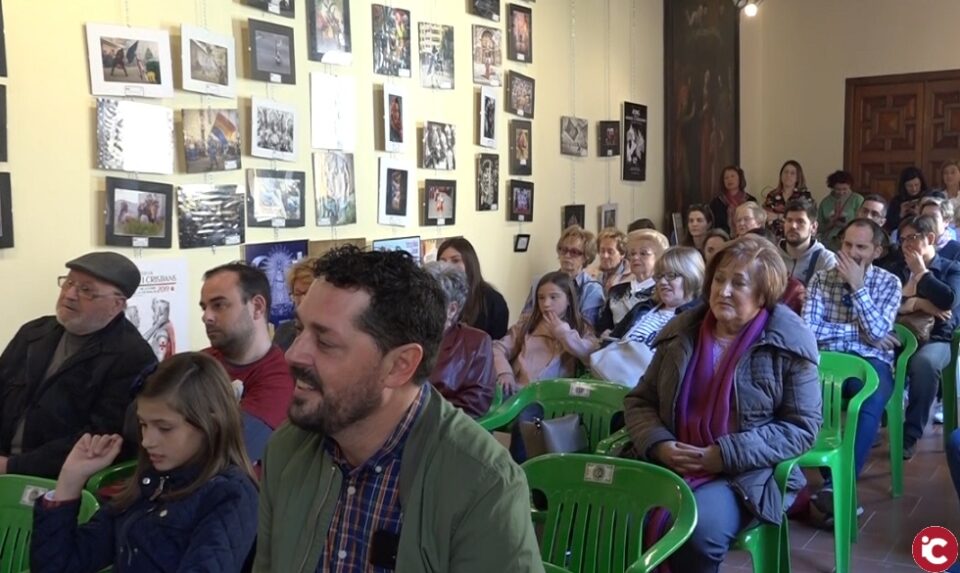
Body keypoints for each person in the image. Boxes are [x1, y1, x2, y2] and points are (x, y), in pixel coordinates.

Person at [255, 247, 542, 572]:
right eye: (299, 330)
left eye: (325, 342)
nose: (292, 355)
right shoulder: (288, 450)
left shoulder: (484, 486)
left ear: (399, 366)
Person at [624, 235, 822, 572]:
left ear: (763, 294)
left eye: (738, 283)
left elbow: (801, 428)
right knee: (612, 513)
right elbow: (640, 401)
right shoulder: (681, 334)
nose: (723, 291)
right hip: (670, 459)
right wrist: (659, 444)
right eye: (719, 279)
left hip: (744, 474)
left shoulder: (787, 343)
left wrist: (724, 455)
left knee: (697, 533)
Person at [31, 352, 259, 573]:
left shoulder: (230, 495)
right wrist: (70, 480)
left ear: (211, 423)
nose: (148, 441)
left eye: (164, 428)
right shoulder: (147, 487)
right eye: (143, 424)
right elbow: (56, 567)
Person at [0, 252, 156, 478]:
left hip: (60, 479)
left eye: (86, 290)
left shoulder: (133, 357)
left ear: (116, 304)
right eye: (69, 283)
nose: (70, 295)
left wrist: (12, 467)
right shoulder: (33, 333)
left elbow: (101, 439)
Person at [802, 218, 902, 524]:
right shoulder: (821, 280)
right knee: (805, 393)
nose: (852, 252)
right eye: (847, 244)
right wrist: (862, 334)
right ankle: (836, 486)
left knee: (868, 400)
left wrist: (859, 288)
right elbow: (810, 331)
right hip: (827, 362)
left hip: (871, 365)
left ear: (876, 251)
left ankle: (837, 486)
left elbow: (878, 331)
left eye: (861, 247)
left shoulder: (889, 283)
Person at [200, 263, 295, 463]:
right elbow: (140, 421)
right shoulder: (201, 362)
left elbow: (232, 452)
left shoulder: (280, 379)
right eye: (204, 307)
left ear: (257, 307)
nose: (206, 317)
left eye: (219, 305)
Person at [894, 215, 960, 458]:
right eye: (902, 240)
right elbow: (886, 302)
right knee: (872, 356)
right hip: (898, 334)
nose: (906, 245)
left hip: (937, 339)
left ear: (930, 238)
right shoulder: (897, 269)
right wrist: (917, 303)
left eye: (912, 238)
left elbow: (948, 300)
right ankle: (872, 423)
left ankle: (910, 434)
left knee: (925, 363)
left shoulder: (951, 268)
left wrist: (922, 273)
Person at [593, 247, 703, 384]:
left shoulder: (698, 319)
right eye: (659, 276)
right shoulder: (644, 307)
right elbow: (610, 343)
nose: (662, 282)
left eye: (671, 276)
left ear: (691, 276)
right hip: (611, 379)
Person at [495, 272, 597, 392]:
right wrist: (504, 373)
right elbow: (497, 348)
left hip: (555, 397)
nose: (546, 304)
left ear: (569, 299)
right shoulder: (527, 325)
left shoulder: (580, 327)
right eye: (541, 298)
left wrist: (564, 334)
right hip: (520, 391)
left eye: (553, 297)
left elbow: (591, 355)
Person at [424, 261, 495, 418]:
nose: (417, 306)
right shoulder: (406, 334)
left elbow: (476, 403)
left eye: (427, 301)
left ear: (452, 309)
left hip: (443, 427)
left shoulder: (476, 342)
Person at [521, 225, 604, 330]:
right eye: (563, 250)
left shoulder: (592, 289)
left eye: (574, 252)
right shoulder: (542, 282)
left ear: (586, 257)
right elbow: (524, 319)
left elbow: (587, 329)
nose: (567, 256)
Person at [597, 229, 670, 334]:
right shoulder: (616, 291)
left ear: (658, 258)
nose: (636, 257)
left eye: (643, 253)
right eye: (632, 253)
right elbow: (602, 328)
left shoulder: (662, 292)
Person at [437, 237, 510, 340]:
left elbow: (497, 347)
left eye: (455, 260)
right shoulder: (435, 297)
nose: (448, 266)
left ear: (470, 263)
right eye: (443, 261)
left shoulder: (494, 301)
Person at [780, 198, 837, 286]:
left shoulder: (826, 261)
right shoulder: (771, 256)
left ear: (813, 227)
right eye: (789, 220)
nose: (793, 226)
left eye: (800, 221)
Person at [273, 257, 317, 352]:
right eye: (297, 294)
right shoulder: (283, 332)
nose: (302, 300)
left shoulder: (332, 337)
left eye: (308, 293)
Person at [764, 160, 814, 241]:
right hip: (774, 238)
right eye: (785, 172)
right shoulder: (772, 195)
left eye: (792, 173)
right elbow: (767, 216)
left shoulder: (804, 195)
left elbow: (804, 217)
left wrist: (778, 216)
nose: (788, 175)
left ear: (798, 177)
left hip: (796, 237)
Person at [817, 170, 864, 252]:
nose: (841, 192)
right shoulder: (825, 202)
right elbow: (819, 227)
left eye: (845, 189)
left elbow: (863, 223)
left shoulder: (857, 200)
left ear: (850, 186)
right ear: (832, 187)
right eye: (838, 189)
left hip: (850, 242)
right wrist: (830, 223)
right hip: (829, 243)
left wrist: (845, 225)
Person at [708, 165, 758, 234]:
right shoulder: (716, 202)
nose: (729, 179)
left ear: (740, 178)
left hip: (747, 239)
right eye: (726, 178)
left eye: (732, 176)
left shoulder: (750, 200)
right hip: (723, 240)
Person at [885, 166, 928, 234]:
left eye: (916, 185)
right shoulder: (896, 201)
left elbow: (931, 223)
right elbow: (889, 226)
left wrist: (918, 214)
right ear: (904, 186)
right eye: (909, 186)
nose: (914, 189)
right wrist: (901, 214)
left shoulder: (927, 198)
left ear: (921, 184)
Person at [591, 227, 633, 295]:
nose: (605, 256)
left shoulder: (631, 278)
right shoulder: (591, 275)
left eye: (610, 252)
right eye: (602, 251)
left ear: (622, 253)